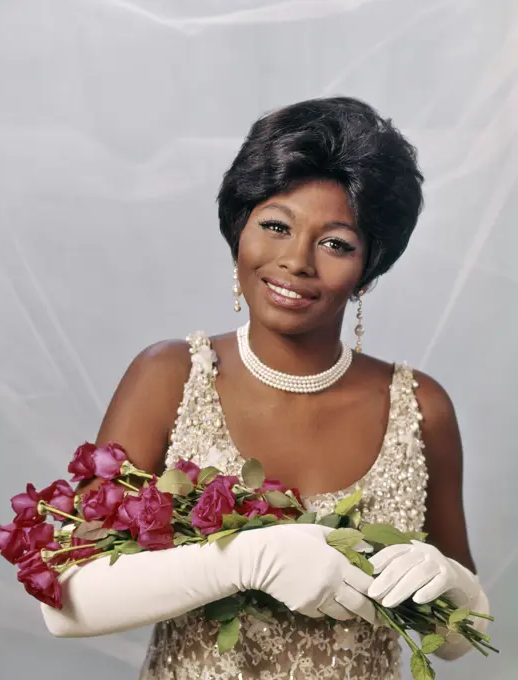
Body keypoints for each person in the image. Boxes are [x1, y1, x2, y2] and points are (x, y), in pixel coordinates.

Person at [40, 97, 490, 679]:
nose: (296, 261)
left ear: (368, 271)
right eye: (275, 226)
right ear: (239, 232)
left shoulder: (419, 405)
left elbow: (463, 639)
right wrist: (249, 558)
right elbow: (65, 605)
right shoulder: (171, 375)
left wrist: (455, 587)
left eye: (336, 244)